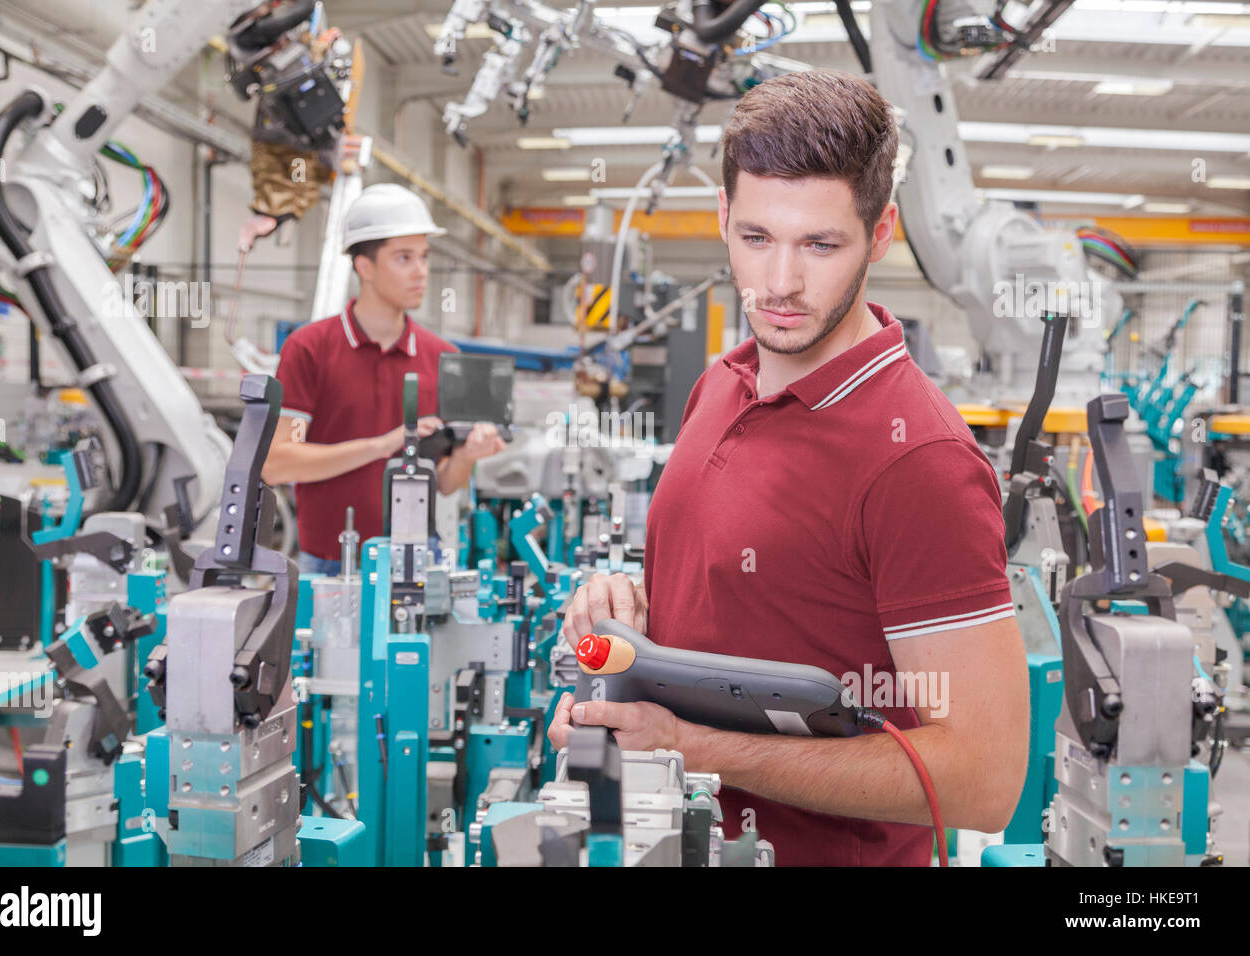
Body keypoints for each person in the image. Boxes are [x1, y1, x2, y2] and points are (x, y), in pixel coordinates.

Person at [546, 70, 1030, 865]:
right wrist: (628, 609)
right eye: (756, 238)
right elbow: (734, 596)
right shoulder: (722, 382)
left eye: (820, 245)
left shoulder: (920, 460)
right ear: (724, 218)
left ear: (879, 237)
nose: (778, 285)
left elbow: (984, 778)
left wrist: (692, 747)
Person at [262, 183, 507, 575]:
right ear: (365, 266)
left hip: (416, 565)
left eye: (424, 257)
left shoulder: (442, 358)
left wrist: (466, 455)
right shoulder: (309, 348)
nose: (421, 272)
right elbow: (278, 463)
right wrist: (382, 445)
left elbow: (444, 483)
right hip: (329, 566)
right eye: (404, 258)